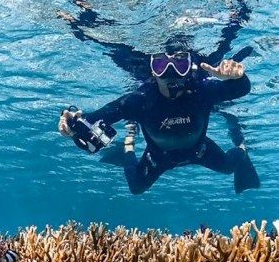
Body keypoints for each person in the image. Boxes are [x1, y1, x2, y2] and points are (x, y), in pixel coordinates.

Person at [58, 49, 259, 194]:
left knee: (228, 167)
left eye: (180, 65)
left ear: (189, 70)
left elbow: (241, 88)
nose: (171, 72)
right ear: (154, 72)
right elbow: (99, 116)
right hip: (159, 156)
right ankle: (128, 148)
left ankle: (242, 148)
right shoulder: (141, 100)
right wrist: (73, 123)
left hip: (200, 149)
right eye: (161, 65)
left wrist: (236, 76)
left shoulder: (201, 91)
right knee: (136, 187)